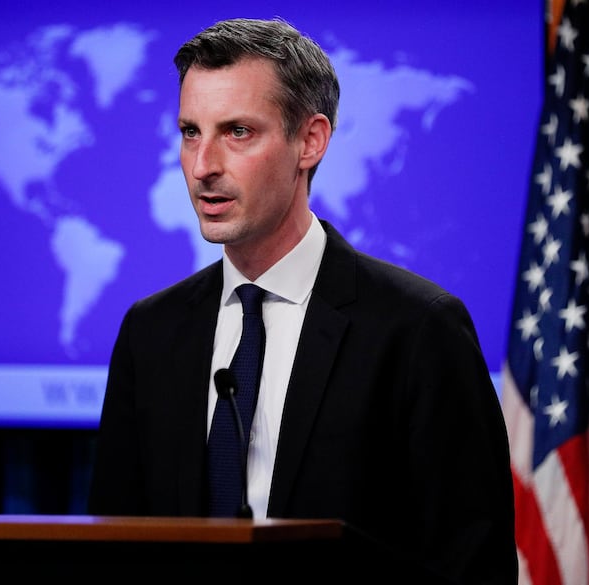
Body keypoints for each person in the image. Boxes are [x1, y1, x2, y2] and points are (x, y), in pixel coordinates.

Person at [88, 17, 518, 582]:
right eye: (191, 131)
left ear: (310, 141)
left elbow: (471, 565)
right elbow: (113, 553)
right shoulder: (152, 331)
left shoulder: (417, 330)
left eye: (237, 131)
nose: (202, 166)